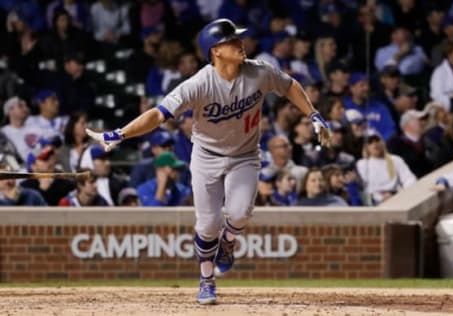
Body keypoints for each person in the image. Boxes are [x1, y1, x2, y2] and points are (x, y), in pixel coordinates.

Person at [85, 18, 331, 305]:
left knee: (238, 215)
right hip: (206, 156)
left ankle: (227, 243)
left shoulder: (259, 72)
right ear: (215, 50)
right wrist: (122, 133)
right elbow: (159, 113)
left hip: (244, 155)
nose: (241, 43)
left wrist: (313, 114)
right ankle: (206, 280)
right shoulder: (200, 83)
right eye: (232, 41)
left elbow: (289, 86)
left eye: (239, 39)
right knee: (207, 224)